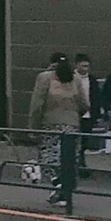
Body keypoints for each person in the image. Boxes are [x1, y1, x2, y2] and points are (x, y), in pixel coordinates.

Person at [29, 54, 88, 203]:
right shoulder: (76, 79)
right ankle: (65, 193)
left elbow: (37, 104)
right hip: (72, 125)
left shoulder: (44, 78)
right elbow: (84, 104)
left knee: (49, 157)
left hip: (51, 124)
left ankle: (57, 184)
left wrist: (33, 127)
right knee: (68, 159)